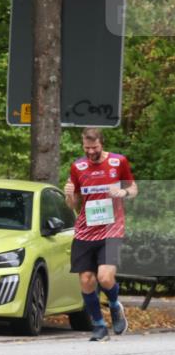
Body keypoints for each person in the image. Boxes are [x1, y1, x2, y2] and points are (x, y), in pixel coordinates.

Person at [64, 127, 137, 342]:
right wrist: (69, 196)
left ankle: (114, 305)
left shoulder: (118, 162)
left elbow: (133, 188)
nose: (90, 152)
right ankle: (99, 326)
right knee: (87, 280)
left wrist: (122, 192)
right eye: (86, 148)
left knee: (105, 278)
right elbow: (74, 205)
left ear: (101, 144)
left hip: (111, 229)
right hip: (86, 231)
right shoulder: (78, 166)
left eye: (94, 148)